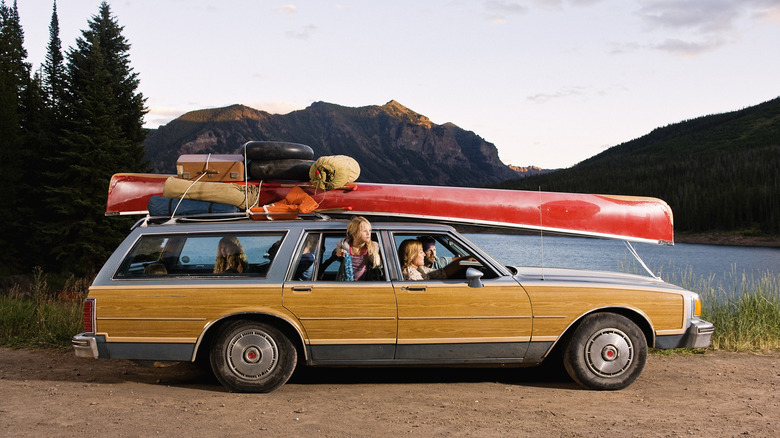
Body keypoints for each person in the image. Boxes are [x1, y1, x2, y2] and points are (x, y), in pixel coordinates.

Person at [322, 216, 383, 281]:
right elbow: (334, 256)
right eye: (365, 231)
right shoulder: (344, 246)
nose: (368, 233)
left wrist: (374, 259)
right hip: (346, 284)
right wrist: (337, 254)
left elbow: (381, 270)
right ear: (354, 234)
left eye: (370, 230)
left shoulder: (374, 248)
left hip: (366, 285)